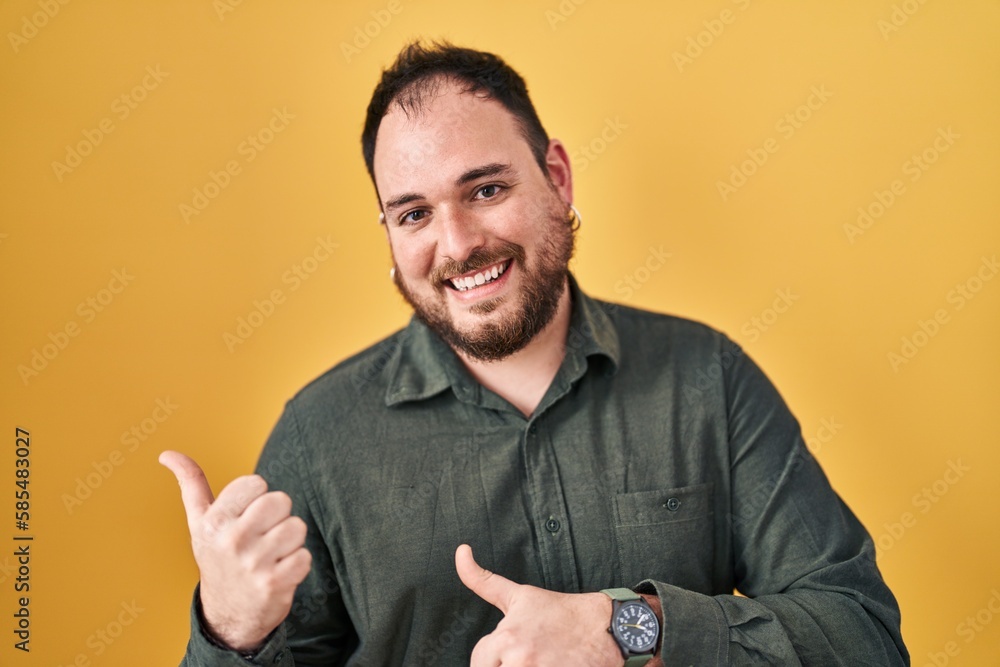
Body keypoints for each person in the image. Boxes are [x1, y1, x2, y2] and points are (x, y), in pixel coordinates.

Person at [160, 41, 909, 666]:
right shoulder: (319, 434)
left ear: (557, 178)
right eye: (414, 212)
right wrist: (232, 630)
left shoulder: (707, 378)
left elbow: (861, 633)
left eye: (484, 190)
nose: (455, 244)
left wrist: (627, 626)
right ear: (388, 234)